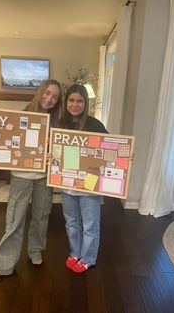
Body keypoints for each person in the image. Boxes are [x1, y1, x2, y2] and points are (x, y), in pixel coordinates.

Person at [0, 79, 63, 282]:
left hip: (43, 179)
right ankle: (4, 265)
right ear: (40, 92)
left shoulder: (56, 123)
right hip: (21, 177)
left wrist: (52, 154)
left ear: (58, 101)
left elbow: (60, 152)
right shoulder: (19, 116)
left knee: (41, 217)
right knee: (14, 221)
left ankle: (35, 251)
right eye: (47, 93)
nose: (49, 99)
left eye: (55, 97)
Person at [59, 84, 108, 273]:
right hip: (67, 182)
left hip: (89, 183)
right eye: (71, 100)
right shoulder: (61, 123)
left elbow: (111, 146)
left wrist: (124, 158)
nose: (75, 104)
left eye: (80, 100)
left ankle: (88, 257)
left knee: (90, 224)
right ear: (66, 102)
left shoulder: (95, 124)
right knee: (71, 222)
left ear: (86, 103)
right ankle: (74, 252)